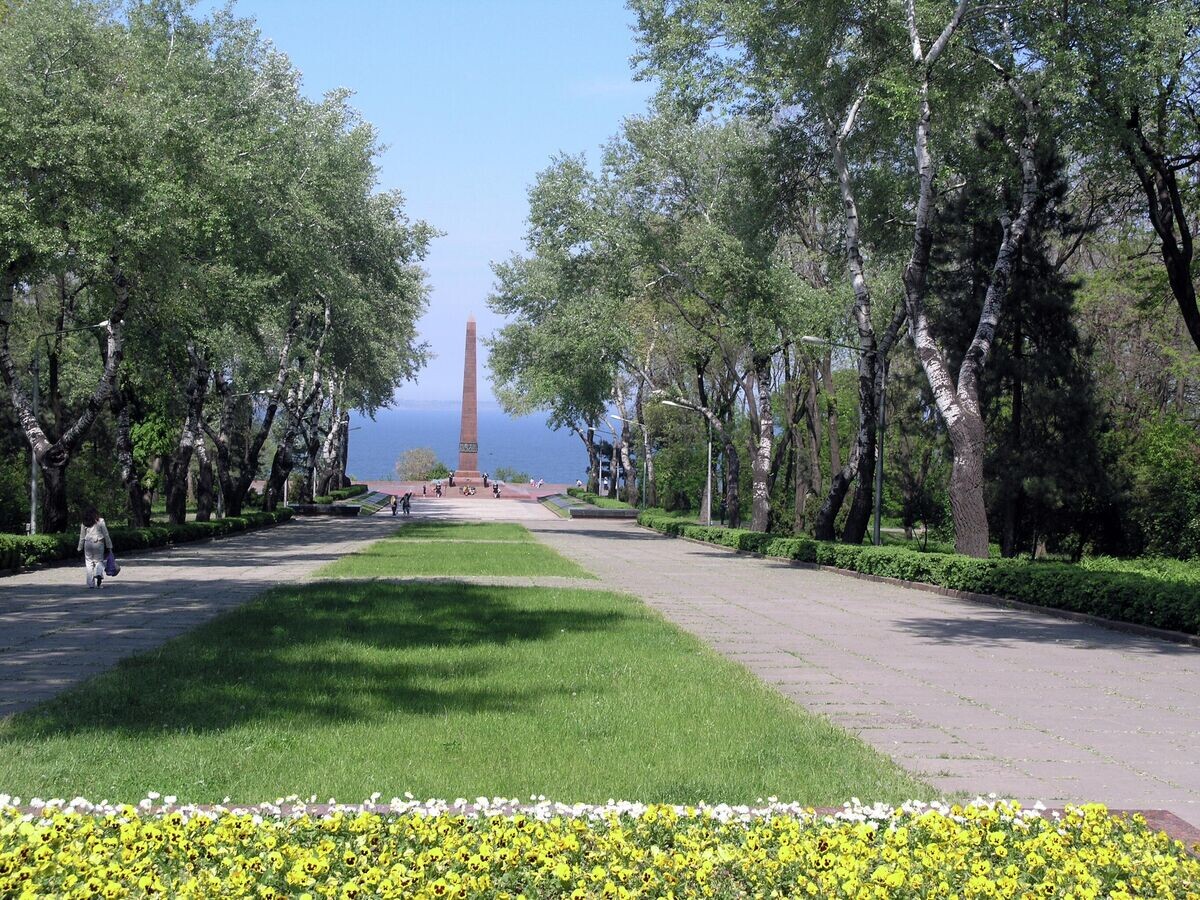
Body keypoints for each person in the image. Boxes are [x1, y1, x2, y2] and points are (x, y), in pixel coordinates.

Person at [77, 506, 113, 589]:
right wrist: (109, 546)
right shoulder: (100, 521)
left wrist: (79, 548)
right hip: (99, 543)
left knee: (89, 562)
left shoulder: (85, 522)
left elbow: (82, 536)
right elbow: (106, 534)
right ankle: (98, 574)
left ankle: (90, 584)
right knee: (99, 561)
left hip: (87, 543)